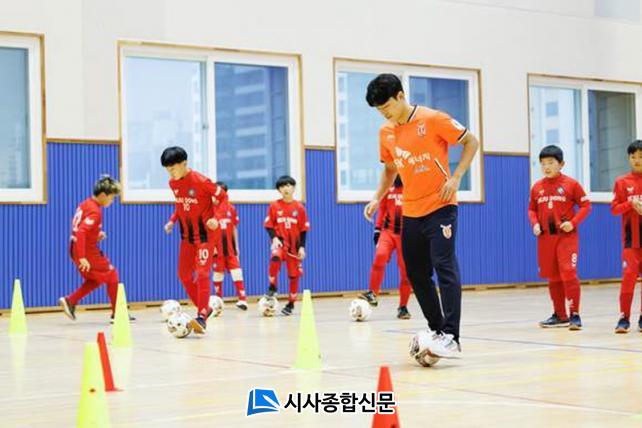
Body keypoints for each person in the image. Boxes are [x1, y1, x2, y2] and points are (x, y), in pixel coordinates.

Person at [363, 73, 479, 359]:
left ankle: (452, 336)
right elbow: (390, 169)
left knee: (444, 265)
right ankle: (437, 329)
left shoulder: (433, 119)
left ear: (401, 96)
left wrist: (456, 177)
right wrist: (377, 197)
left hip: (441, 205)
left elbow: (471, 142)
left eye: (386, 106)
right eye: (378, 110)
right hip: (411, 211)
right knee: (416, 272)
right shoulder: (386, 132)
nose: (384, 113)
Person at [162, 146, 226, 334]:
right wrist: (172, 221)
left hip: (206, 235)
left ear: (184, 164)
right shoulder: (173, 183)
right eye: (167, 169)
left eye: (173, 168)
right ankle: (205, 309)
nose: (170, 173)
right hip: (187, 236)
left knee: (203, 272)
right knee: (183, 275)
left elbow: (223, 198)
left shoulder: (201, 181)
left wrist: (217, 218)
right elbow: (180, 205)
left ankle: (201, 316)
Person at [528, 145, 591, 330]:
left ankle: (575, 314)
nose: (546, 167)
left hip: (566, 238)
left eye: (550, 163)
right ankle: (560, 315)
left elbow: (586, 206)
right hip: (546, 239)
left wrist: (573, 222)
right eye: (543, 163)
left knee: (568, 273)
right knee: (553, 277)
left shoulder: (571, 184)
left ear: (561, 164)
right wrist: (535, 224)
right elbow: (531, 209)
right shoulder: (537, 187)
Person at [59, 175, 131, 323]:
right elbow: (81, 232)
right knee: (112, 274)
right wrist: (83, 257)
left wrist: (95, 235)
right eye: (112, 198)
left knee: (96, 279)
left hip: (75, 247)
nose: (112, 201)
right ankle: (118, 314)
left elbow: (80, 228)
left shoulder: (85, 204)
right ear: (103, 195)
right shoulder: (95, 211)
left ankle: (70, 300)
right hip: (85, 251)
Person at [359, 175, 413, 319]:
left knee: (406, 273)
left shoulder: (411, 188)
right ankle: (373, 293)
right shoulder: (388, 188)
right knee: (380, 255)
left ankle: (403, 307)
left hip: (406, 235)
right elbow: (382, 210)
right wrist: (377, 231)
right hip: (387, 232)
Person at [263, 175, 309, 316]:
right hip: (280, 243)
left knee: (293, 276)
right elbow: (269, 225)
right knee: (275, 258)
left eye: (288, 185)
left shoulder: (299, 208)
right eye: (282, 186)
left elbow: (304, 230)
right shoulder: (274, 206)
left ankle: (291, 303)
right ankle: (273, 286)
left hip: (294, 247)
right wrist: (274, 238)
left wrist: (302, 247)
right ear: (279, 190)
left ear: (293, 188)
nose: (285, 188)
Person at [611, 140, 642, 333]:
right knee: (628, 278)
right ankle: (624, 317)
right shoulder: (622, 182)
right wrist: (630, 204)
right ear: (628, 158)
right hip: (631, 241)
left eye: (640, 156)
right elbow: (614, 209)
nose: (637, 160)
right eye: (633, 156)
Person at [211, 181, 247, 310]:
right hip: (216, 248)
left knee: (236, 271)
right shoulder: (208, 210)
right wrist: (211, 247)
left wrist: (237, 246)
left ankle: (242, 299)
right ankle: (218, 300)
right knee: (218, 273)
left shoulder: (231, 208)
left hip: (230, 248)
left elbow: (234, 228)